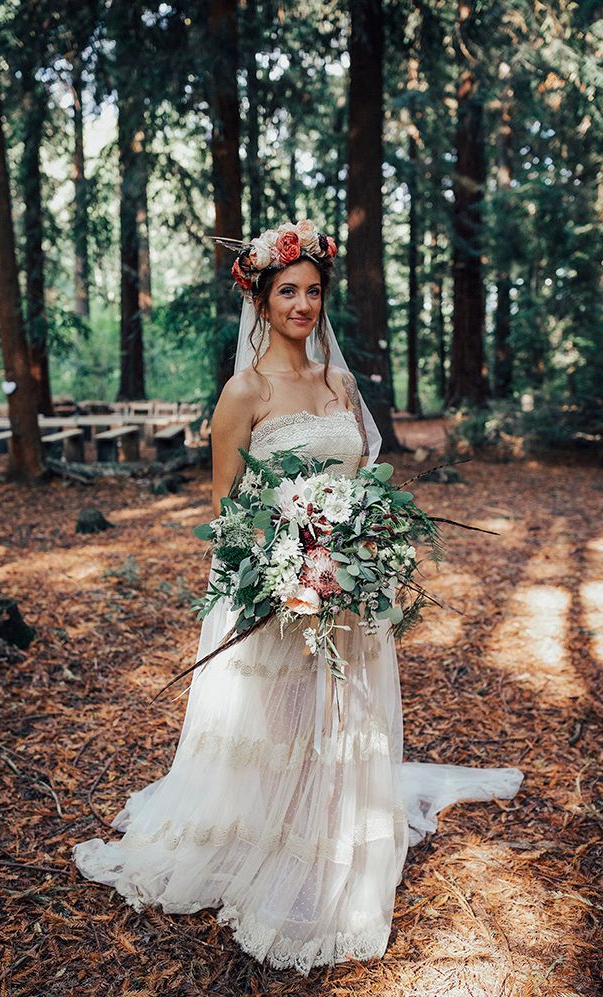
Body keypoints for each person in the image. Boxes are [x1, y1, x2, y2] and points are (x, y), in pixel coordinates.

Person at [71, 220, 524, 976]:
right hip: (279, 594)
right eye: (289, 291)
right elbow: (225, 513)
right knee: (282, 728)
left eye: (314, 291)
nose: (304, 304)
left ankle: (333, 843)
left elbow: (355, 483)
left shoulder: (338, 384)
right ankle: (275, 851)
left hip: (348, 593)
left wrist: (364, 548)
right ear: (261, 296)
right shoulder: (243, 392)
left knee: (341, 722)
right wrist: (285, 570)